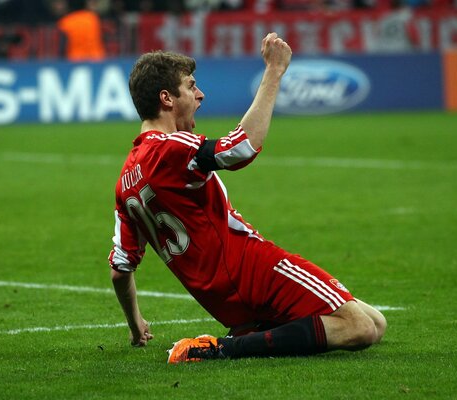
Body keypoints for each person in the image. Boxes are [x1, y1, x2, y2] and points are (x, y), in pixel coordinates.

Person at [108, 32, 387, 363]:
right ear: (167, 99)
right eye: (191, 86)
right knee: (361, 328)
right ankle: (224, 348)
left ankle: (249, 334)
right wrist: (274, 71)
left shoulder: (126, 181)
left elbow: (121, 268)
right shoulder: (170, 146)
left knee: (376, 322)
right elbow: (240, 148)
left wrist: (135, 324)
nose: (200, 94)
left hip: (226, 302)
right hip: (253, 269)